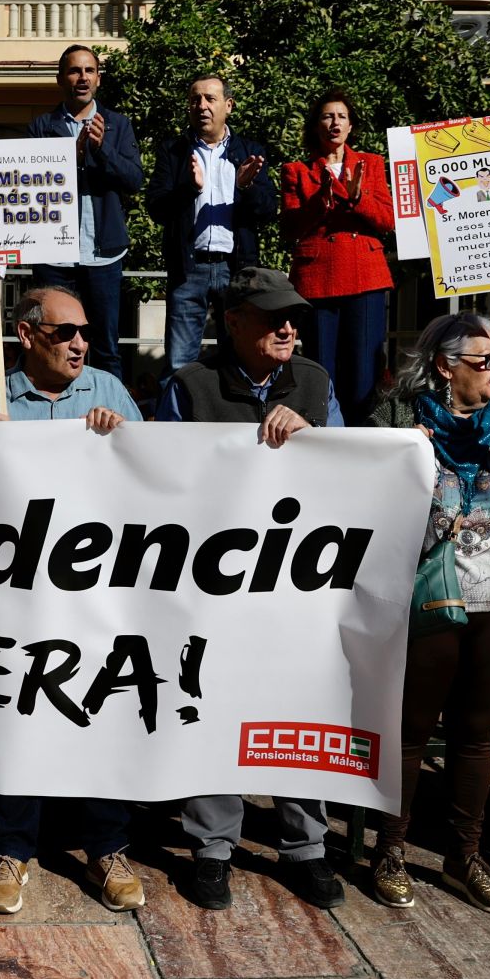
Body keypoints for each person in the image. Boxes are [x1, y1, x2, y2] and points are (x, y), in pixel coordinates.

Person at [157, 268, 346, 911]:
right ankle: (212, 849)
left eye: (293, 315)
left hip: (299, 581)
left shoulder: (317, 383)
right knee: (215, 703)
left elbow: (354, 475)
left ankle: (307, 848)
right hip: (214, 584)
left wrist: (315, 440)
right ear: (232, 321)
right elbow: (163, 483)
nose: (287, 326)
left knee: (297, 707)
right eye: (271, 316)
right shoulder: (188, 387)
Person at [0, 286, 142, 915]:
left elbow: (154, 483)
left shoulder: (110, 394)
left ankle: (106, 845)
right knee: (17, 715)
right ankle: (11, 848)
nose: (81, 343)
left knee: (99, 710)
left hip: (95, 593)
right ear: (26, 336)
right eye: (64, 333)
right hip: (16, 596)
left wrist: (122, 445)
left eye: (84, 331)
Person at [366, 314, 490, 913]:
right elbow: (366, 504)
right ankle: (389, 850)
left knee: (475, 737)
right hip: (427, 605)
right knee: (411, 732)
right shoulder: (398, 418)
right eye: (484, 359)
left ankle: (464, 856)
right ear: (445, 366)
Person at [25, 46, 143, 379]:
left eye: (89, 71)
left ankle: (112, 421)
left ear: (98, 79)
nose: (82, 78)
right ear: (61, 78)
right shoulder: (41, 127)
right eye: (75, 71)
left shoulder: (118, 125)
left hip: (102, 253)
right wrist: (69, 157)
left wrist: (102, 148)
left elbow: (133, 180)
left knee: (105, 346)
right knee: (51, 343)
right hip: (54, 255)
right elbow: (31, 187)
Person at [146, 75, 278, 373]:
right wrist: (188, 189)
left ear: (228, 106)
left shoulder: (249, 151)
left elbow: (268, 211)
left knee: (240, 360)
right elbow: (156, 207)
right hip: (189, 268)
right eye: (195, 99)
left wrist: (246, 188)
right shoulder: (175, 151)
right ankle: (178, 419)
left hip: (236, 270)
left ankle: (236, 419)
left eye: (210, 99)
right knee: (180, 365)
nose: (201, 106)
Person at [282, 89, 394, 421]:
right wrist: (320, 201)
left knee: (364, 372)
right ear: (316, 125)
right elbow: (288, 228)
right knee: (320, 369)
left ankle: (362, 438)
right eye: (327, 116)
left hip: (365, 277)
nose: (335, 122)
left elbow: (387, 221)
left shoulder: (371, 164)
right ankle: (322, 437)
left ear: (350, 126)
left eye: (341, 116)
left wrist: (358, 197)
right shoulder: (296, 170)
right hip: (318, 279)